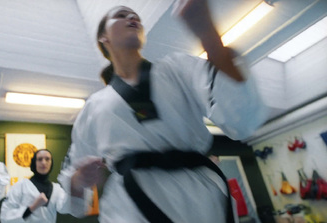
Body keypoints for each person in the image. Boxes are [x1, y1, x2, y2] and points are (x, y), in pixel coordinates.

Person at [58, 1, 269, 223]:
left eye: (136, 17)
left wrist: (208, 34)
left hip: (201, 198)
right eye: (121, 15)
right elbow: (72, 189)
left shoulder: (177, 69)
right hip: (132, 207)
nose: (133, 18)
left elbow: (242, 118)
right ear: (104, 37)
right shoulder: (94, 106)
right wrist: (78, 181)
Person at [0, 149, 85, 222]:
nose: (44, 162)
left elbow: (67, 207)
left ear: (51, 163)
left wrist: (78, 185)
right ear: (34, 163)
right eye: (40, 159)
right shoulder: (20, 186)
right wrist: (32, 207)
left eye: (47, 159)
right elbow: (5, 216)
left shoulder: (56, 189)